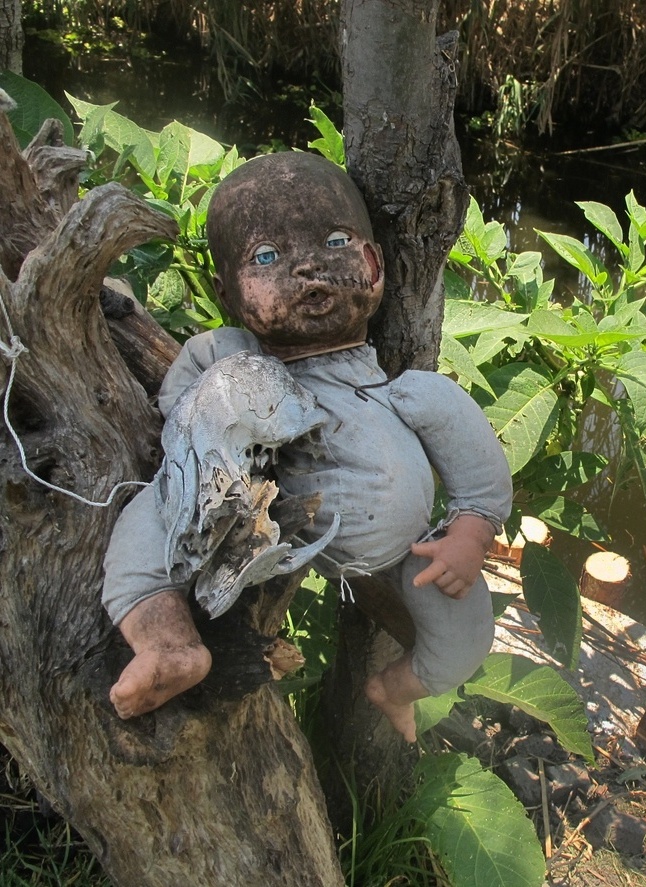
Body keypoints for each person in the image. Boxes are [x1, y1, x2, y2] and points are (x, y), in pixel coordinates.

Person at [102, 151, 512, 742]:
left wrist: (471, 531)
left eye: (336, 242)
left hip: (412, 557)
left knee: (467, 641)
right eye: (267, 258)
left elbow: (475, 463)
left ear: (374, 263)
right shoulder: (232, 354)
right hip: (257, 520)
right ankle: (167, 645)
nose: (309, 269)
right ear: (228, 291)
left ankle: (394, 687)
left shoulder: (409, 394)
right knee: (152, 516)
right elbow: (181, 408)